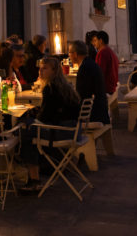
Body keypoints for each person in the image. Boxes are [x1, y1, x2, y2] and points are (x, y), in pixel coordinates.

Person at [19, 56, 81, 193]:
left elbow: (44, 118)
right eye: (40, 69)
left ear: (54, 71)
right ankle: (39, 170)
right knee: (29, 127)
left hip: (61, 132)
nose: (40, 72)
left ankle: (34, 179)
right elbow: (54, 111)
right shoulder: (65, 86)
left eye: (44, 69)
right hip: (75, 130)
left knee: (25, 129)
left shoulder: (50, 88)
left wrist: (33, 116)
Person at [69, 40, 109, 124]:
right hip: (101, 110)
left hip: (94, 115)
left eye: (70, 53)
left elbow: (81, 96)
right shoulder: (91, 63)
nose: (69, 56)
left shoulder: (84, 68)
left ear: (75, 54)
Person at [92, 31, 119, 95]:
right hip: (113, 85)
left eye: (95, 41)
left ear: (100, 41)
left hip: (106, 88)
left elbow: (99, 73)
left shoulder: (102, 52)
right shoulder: (110, 51)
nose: (94, 43)